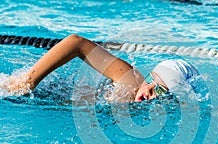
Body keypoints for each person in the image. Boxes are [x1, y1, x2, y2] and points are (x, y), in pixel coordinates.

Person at [1, 34, 198, 102]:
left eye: (164, 95)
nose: (152, 97)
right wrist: (27, 81)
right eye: (156, 88)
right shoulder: (131, 80)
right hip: (43, 93)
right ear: (151, 78)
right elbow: (75, 43)